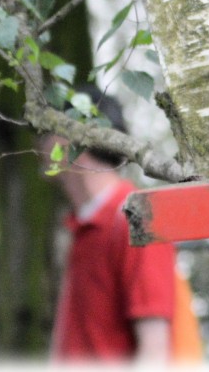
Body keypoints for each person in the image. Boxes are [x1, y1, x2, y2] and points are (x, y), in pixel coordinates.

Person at [38, 105, 181, 363]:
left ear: (74, 141)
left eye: (49, 129)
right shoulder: (82, 223)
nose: (42, 141)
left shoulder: (137, 219)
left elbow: (155, 351)